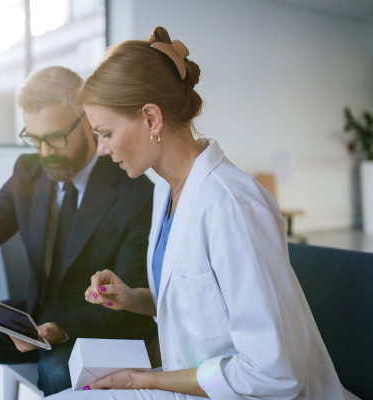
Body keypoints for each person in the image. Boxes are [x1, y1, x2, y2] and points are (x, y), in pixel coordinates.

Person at [48, 27, 350, 399]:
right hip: (194, 384)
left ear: (150, 119)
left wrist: (145, 380)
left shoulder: (231, 208)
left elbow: (272, 373)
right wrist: (134, 298)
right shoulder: (166, 192)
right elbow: (205, 306)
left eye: (106, 133)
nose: (101, 150)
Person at [0, 66, 157, 400]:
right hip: (31, 319)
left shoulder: (135, 191)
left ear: (86, 122)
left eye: (54, 138)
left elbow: (127, 303)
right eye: (34, 139)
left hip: (98, 330)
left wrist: (60, 330)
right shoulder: (29, 171)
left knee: (56, 370)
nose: (45, 152)